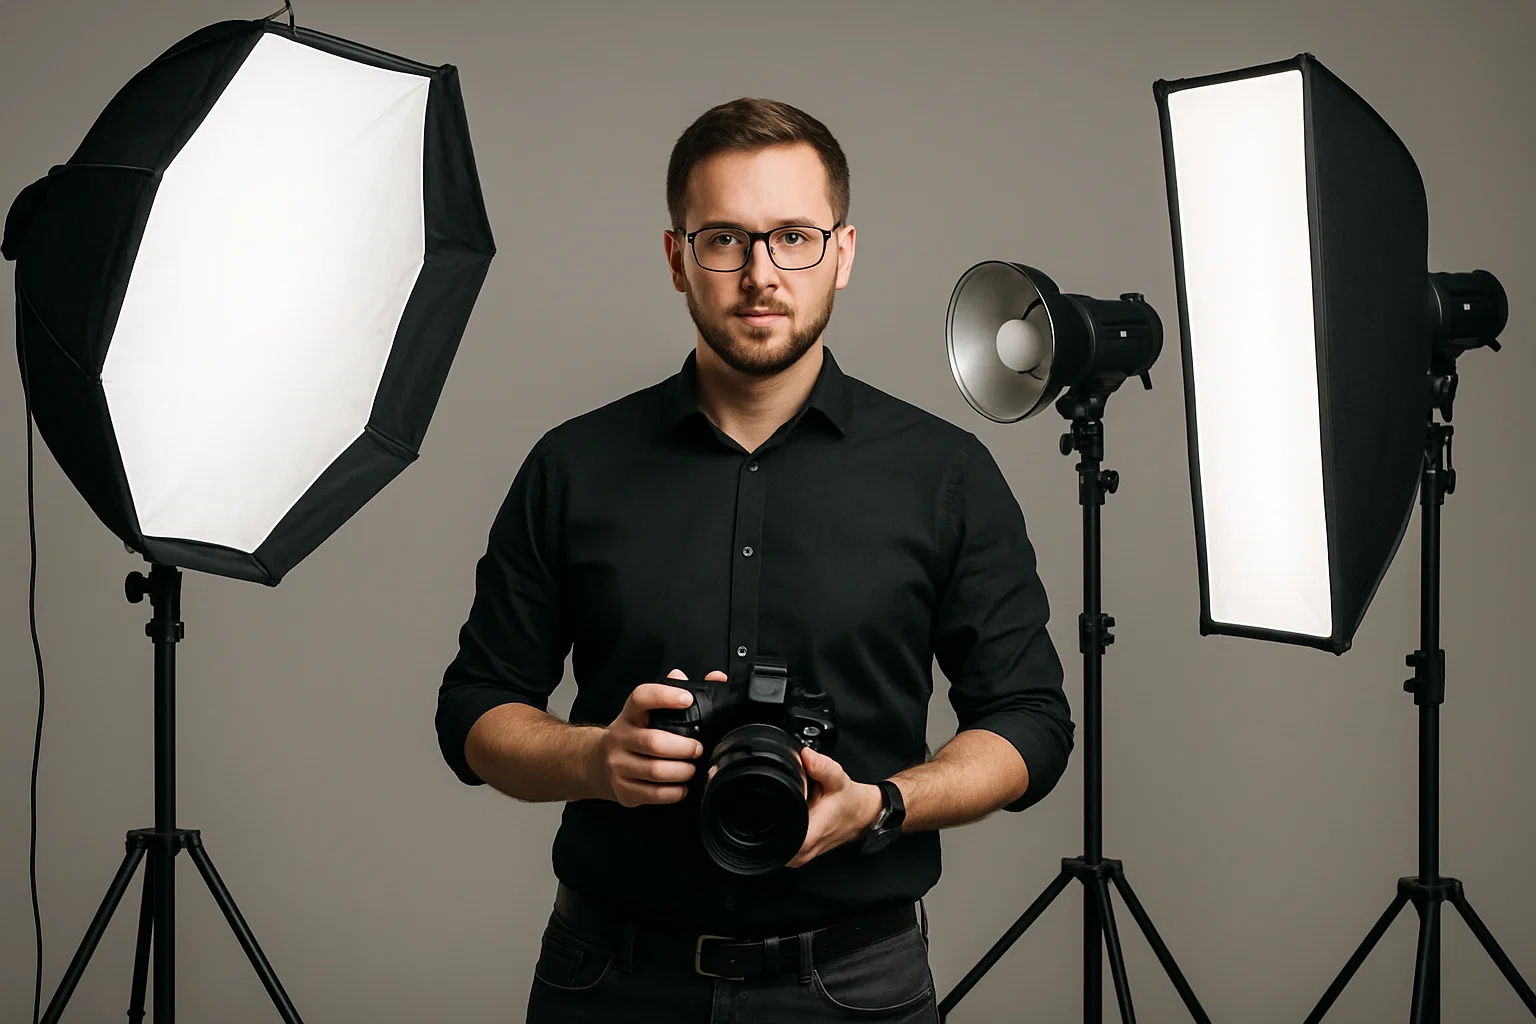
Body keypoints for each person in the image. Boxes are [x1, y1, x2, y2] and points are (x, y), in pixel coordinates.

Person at [435, 96, 1075, 1024]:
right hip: (609, 980)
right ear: (677, 259)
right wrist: (594, 759)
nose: (761, 273)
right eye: (725, 239)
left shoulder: (944, 475)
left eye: (795, 237)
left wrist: (883, 805)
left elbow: (1030, 723)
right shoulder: (573, 466)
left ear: (843, 253)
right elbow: (473, 710)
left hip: (855, 983)